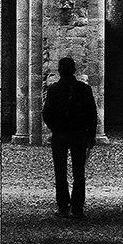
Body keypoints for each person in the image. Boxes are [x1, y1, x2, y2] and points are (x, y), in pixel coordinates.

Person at [42, 56, 98, 220]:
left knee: (60, 171)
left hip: (60, 135)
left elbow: (47, 114)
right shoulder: (84, 89)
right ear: (74, 70)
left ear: (59, 71)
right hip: (79, 134)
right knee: (79, 172)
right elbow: (92, 114)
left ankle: (63, 206)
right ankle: (78, 208)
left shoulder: (54, 90)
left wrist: (56, 129)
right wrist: (91, 135)